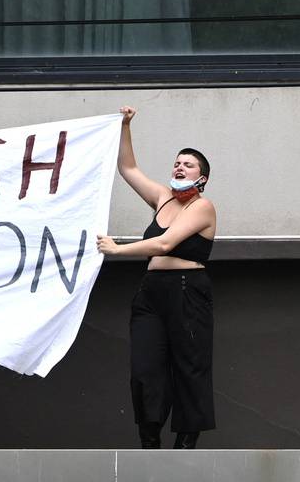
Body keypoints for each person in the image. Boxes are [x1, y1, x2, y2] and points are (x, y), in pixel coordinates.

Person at [97, 107, 217, 450]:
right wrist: (124, 126)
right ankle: (149, 440)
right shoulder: (162, 198)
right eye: (177, 162)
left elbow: (165, 243)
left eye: (189, 164)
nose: (180, 167)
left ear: (202, 177)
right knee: (145, 369)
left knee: (190, 365)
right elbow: (128, 167)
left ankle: (185, 442)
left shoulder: (203, 207)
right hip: (151, 294)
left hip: (187, 291)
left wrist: (119, 251)